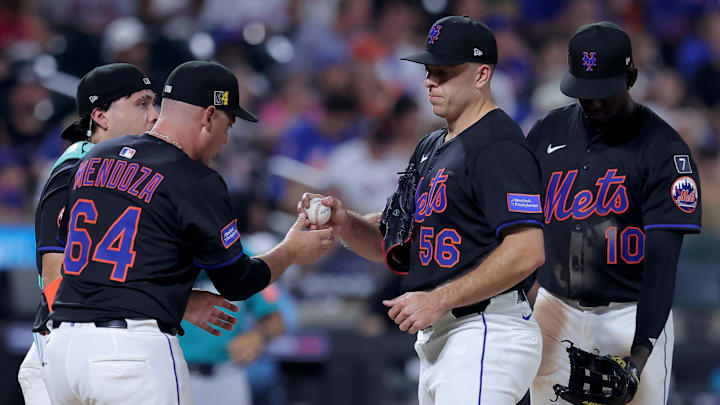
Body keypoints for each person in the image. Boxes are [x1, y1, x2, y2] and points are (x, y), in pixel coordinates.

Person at [41, 60, 334, 405]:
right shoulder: (196, 179)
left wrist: (178, 299)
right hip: (131, 354)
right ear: (209, 116)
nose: (227, 138)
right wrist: (291, 251)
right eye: (229, 123)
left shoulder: (95, 156)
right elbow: (236, 282)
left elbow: (91, 262)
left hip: (62, 352)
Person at [300, 16, 545, 404]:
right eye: (429, 70)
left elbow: (528, 249)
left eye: (444, 72)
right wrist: (346, 223)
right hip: (442, 335)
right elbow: (392, 236)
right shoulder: (432, 144)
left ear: (482, 75)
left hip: (485, 329)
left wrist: (439, 299)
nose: (430, 81)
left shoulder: (498, 144)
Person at [18, 63, 240, 405]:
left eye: (154, 104)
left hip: (79, 348)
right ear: (101, 117)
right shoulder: (78, 165)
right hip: (68, 345)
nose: (153, 116)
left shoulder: (112, 167)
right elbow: (55, 276)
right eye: (141, 104)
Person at [527, 22, 702, 404]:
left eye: (602, 92)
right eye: (582, 91)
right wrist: (525, 300)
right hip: (554, 309)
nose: (591, 101)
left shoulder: (664, 151)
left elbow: (661, 266)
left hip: (631, 313)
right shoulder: (547, 131)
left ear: (631, 77)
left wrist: (638, 357)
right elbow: (523, 227)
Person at [180, 279, 285, 405]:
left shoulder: (249, 263)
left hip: (226, 376)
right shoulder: (161, 262)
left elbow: (276, 320)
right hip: (172, 377)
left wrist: (258, 335)